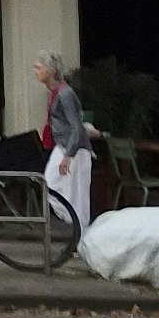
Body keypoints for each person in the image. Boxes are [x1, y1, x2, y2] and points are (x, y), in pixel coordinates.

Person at [37, 50, 94, 231]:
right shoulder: (56, 92)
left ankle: (80, 233)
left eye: (39, 67)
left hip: (73, 148)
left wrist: (67, 156)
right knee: (53, 185)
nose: (35, 71)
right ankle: (75, 226)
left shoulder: (64, 94)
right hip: (64, 145)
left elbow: (76, 127)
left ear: (50, 71)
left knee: (76, 195)